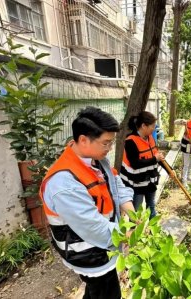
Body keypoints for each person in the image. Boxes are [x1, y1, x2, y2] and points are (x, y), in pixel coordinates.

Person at [40, 106, 135, 299]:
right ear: (83, 140)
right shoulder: (64, 184)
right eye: (106, 143)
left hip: (102, 244)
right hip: (87, 252)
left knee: (96, 292)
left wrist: (133, 217)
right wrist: (128, 236)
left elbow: (116, 185)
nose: (109, 148)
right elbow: (92, 227)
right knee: (106, 292)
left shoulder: (96, 160)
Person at [120, 111, 170, 218]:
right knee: (136, 211)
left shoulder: (150, 138)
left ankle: (153, 231)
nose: (154, 129)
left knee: (151, 206)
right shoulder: (130, 141)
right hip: (137, 184)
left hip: (150, 181)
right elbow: (135, 164)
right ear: (143, 126)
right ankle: (134, 231)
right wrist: (154, 159)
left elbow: (157, 156)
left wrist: (169, 170)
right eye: (152, 126)